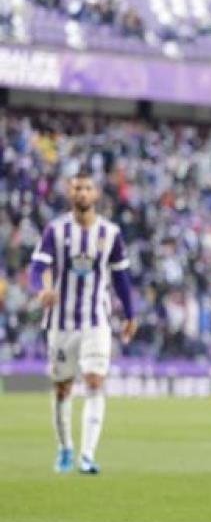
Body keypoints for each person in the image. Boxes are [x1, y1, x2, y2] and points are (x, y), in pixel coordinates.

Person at [29, 171, 137, 476]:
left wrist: (130, 314)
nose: (82, 193)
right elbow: (37, 267)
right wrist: (41, 290)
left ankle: (87, 455)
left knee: (94, 381)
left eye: (88, 188)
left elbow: (121, 277)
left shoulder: (110, 233)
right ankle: (65, 447)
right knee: (63, 388)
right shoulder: (55, 230)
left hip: (96, 321)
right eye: (77, 188)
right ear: (70, 192)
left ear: (96, 194)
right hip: (61, 323)